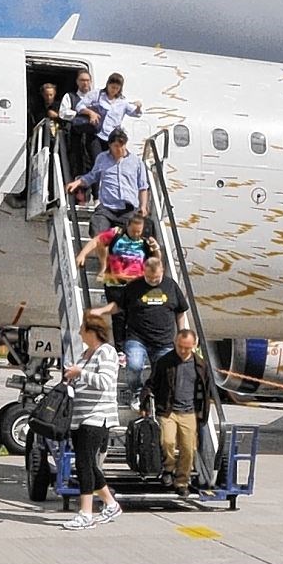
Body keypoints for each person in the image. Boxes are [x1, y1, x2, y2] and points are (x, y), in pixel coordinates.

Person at [92, 255, 189, 398]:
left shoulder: (171, 286)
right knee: (135, 366)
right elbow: (119, 310)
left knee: (165, 373)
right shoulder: (133, 287)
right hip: (137, 338)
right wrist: (101, 312)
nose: (153, 281)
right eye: (150, 278)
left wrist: (182, 334)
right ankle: (137, 392)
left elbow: (180, 312)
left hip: (164, 341)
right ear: (144, 272)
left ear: (162, 271)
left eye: (157, 278)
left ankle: (152, 395)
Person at [61, 313, 122, 530]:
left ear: (92, 331)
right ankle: (111, 503)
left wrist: (81, 373)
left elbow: (105, 382)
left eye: (82, 330)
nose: (79, 333)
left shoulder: (106, 352)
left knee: (85, 464)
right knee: (85, 462)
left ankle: (86, 512)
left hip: (97, 416)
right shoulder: (85, 354)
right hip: (80, 417)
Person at [144, 329, 215, 496]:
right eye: (180, 347)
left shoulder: (200, 365)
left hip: (189, 412)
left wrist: (204, 409)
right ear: (175, 344)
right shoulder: (165, 362)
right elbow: (151, 383)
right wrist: (145, 402)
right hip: (168, 410)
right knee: (167, 441)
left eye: (187, 348)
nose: (183, 351)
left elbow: (207, 389)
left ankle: (182, 481)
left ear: (194, 346)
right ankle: (168, 468)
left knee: (188, 448)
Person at [66, 129, 152, 236]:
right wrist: (77, 183)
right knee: (97, 229)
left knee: (140, 233)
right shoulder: (102, 158)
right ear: (110, 145)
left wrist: (143, 206)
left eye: (122, 145)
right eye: (116, 146)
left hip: (128, 209)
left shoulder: (136, 162)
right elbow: (92, 176)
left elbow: (143, 187)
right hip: (107, 208)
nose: (119, 149)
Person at [76, 210, 160, 316]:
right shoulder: (117, 233)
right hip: (115, 284)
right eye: (133, 231)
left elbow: (156, 261)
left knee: (135, 316)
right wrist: (82, 254)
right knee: (118, 318)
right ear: (128, 226)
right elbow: (96, 241)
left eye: (139, 231)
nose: (136, 234)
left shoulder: (145, 240)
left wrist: (156, 249)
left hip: (136, 284)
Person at [60, 68, 102, 178]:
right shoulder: (70, 96)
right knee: (76, 164)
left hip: (93, 137)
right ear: (77, 82)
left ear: (91, 81)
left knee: (95, 163)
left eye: (87, 80)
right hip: (75, 136)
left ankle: (96, 193)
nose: (85, 83)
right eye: (82, 80)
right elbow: (63, 113)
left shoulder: (97, 99)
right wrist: (82, 115)